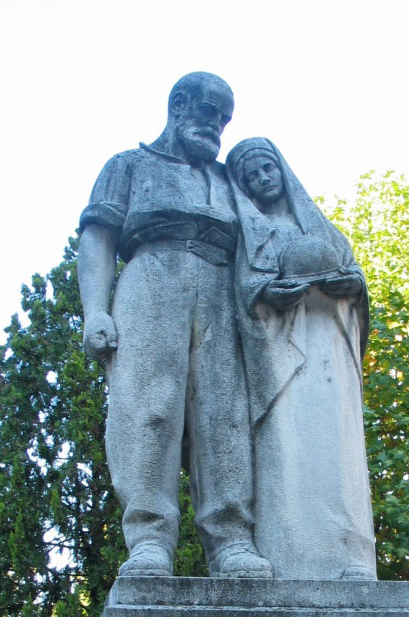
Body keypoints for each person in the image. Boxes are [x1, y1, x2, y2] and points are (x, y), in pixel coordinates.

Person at [78, 74, 272, 578]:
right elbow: (98, 237)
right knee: (149, 409)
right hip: (150, 280)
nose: (216, 127)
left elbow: (274, 232)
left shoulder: (229, 179)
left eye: (224, 120)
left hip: (221, 291)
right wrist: (95, 309)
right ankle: (148, 539)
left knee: (224, 415)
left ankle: (231, 538)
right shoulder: (129, 165)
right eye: (209, 113)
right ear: (179, 105)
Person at [226, 138, 377, 580]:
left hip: (328, 344)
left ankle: (350, 557)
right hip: (279, 358)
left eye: (267, 168)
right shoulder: (249, 236)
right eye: (250, 176)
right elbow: (242, 295)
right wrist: (267, 293)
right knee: (285, 452)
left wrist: (352, 286)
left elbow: (358, 282)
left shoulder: (320, 227)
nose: (261, 179)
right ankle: (289, 556)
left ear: (282, 170)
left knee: (339, 454)